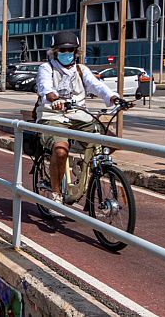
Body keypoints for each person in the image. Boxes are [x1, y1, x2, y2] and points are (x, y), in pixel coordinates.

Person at [35, 31, 120, 208]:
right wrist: (54, 99)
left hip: (79, 115)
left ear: (76, 51)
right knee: (60, 151)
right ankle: (56, 193)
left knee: (112, 142)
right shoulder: (47, 68)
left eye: (71, 50)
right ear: (55, 52)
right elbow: (45, 87)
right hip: (53, 115)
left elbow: (97, 85)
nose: (67, 53)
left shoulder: (81, 69)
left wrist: (113, 98)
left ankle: (84, 166)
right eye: (63, 50)